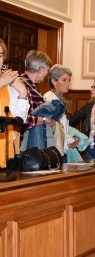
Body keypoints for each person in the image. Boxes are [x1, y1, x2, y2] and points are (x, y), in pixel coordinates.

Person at [0, 39, 29, 169]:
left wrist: (23, 92)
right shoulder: (3, 81)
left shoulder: (8, 83)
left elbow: (19, 119)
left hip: (7, 146)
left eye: (0, 55)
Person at [19, 50, 53, 151]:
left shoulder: (31, 86)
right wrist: (44, 120)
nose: (47, 74)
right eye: (48, 70)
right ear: (41, 69)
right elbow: (21, 119)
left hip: (31, 144)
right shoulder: (20, 85)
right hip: (24, 146)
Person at [44, 65, 80, 157]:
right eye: (64, 80)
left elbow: (62, 125)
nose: (68, 83)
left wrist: (70, 140)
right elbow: (53, 125)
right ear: (53, 81)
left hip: (59, 146)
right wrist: (70, 141)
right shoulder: (50, 98)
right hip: (52, 147)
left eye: (69, 80)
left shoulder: (59, 98)